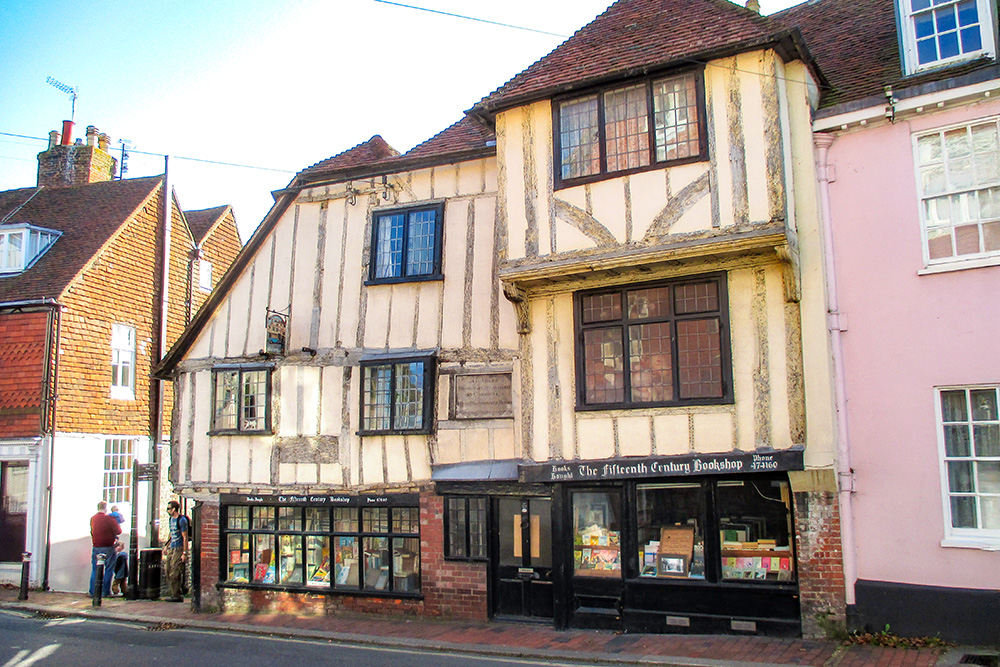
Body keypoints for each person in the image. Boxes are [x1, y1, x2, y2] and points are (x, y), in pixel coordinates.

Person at [89, 501, 121, 597]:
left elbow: (92, 531)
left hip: (96, 546)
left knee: (95, 569)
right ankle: (105, 592)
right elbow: (118, 531)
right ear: (106, 508)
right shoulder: (110, 519)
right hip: (108, 547)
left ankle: (93, 592)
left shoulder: (93, 519)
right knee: (109, 569)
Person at [163, 500, 189, 602]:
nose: (167, 511)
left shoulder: (182, 520)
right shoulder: (171, 519)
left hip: (179, 548)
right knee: (168, 569)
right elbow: (171, 533)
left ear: (174, 509)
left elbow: (185, 537)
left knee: (175, 571)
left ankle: (177, 595)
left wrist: (184, 553)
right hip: (172, 547)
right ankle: (175, 591)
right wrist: (166, 545)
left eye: (169, 509)